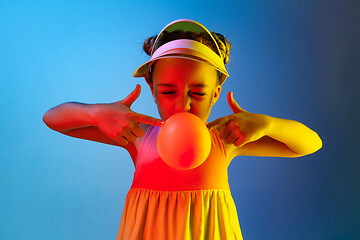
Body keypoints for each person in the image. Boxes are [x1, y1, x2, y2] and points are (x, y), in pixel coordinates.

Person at [43, 19, 322, 240]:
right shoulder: (137, 134)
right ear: (152, 91)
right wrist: (94, 113)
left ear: (216, 93)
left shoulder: (226, 137)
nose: (183, 104)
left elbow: (310, 144)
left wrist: (267, 124)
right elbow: (53, 119)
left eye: (198, 93)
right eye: (168, 91)